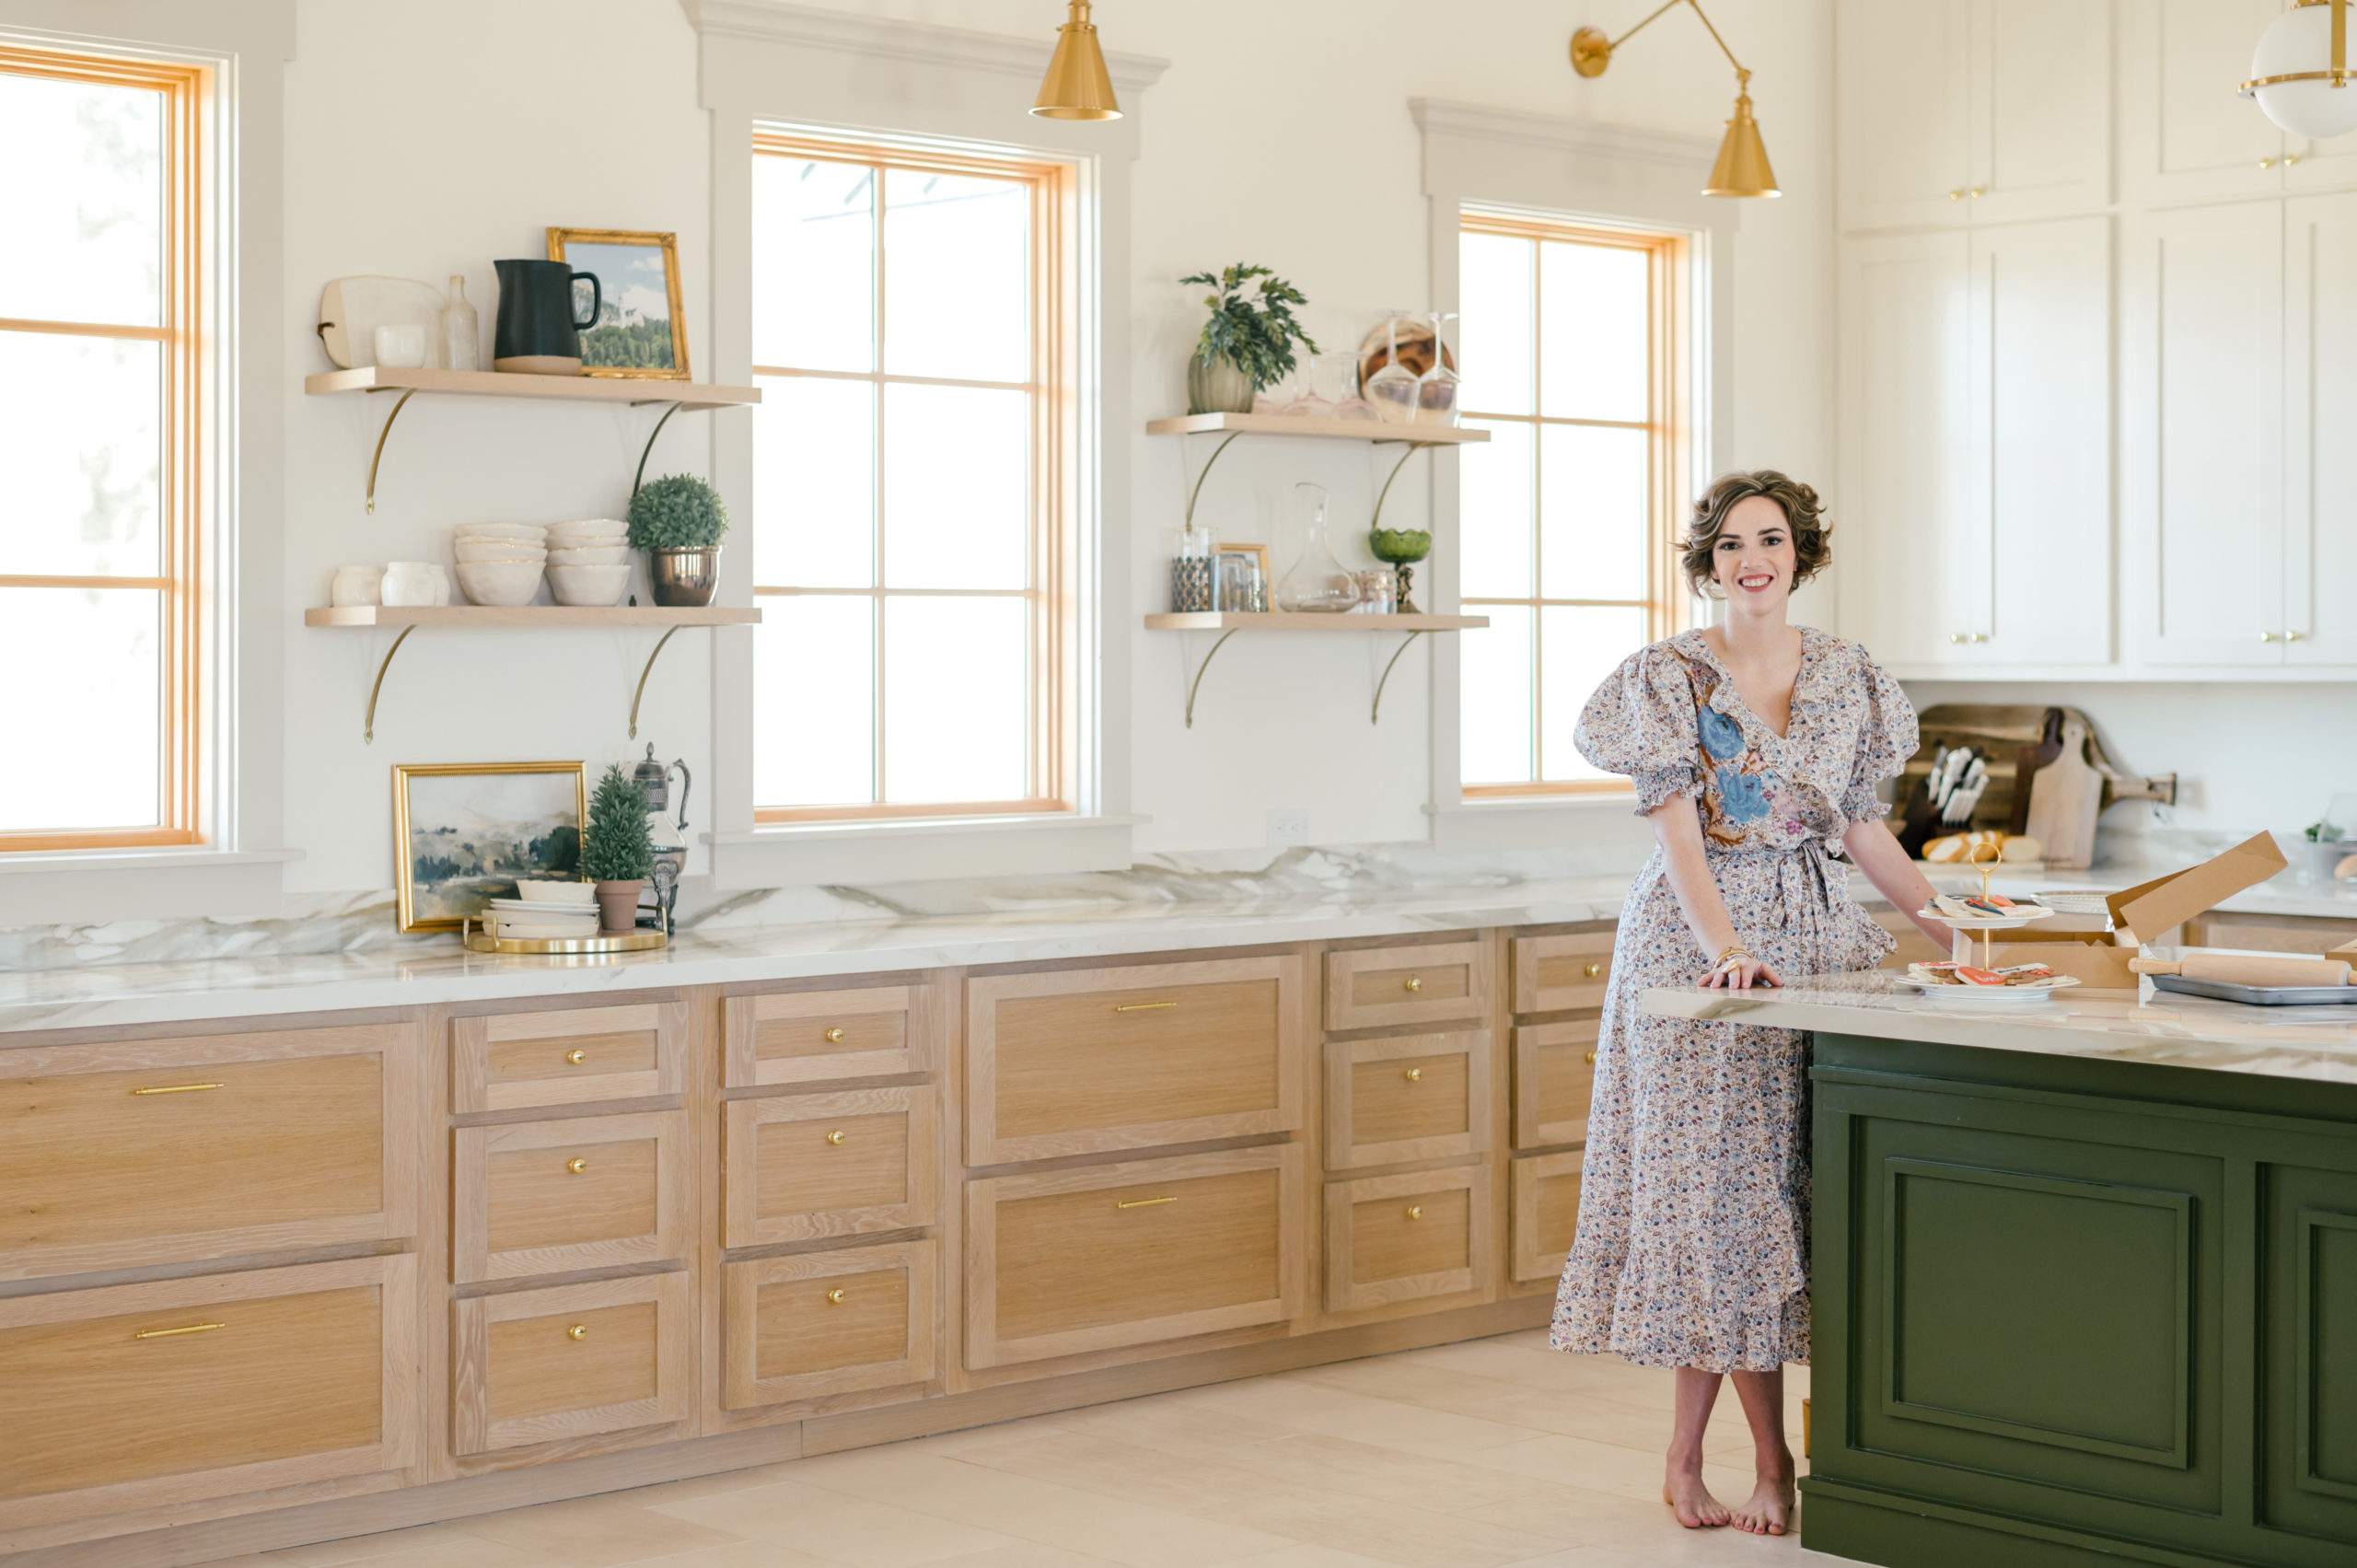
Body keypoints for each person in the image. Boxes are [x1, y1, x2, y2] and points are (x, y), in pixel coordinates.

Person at [1548, 470, 1952, 1537]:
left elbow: (1864, 829)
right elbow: (1677, 829)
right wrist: (1726, 945)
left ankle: (1720, 1460)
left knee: (1783, 1206)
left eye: (1768, 539)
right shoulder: (1666, 677)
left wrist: (1950, 926)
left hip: (1817, 937)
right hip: (1695, 945)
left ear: (1800, 553)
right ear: (1707, 562)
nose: (1749, 559)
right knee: (1711, 1209)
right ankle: (1747, 1461)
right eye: (1728, 544)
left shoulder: (1848, 676)